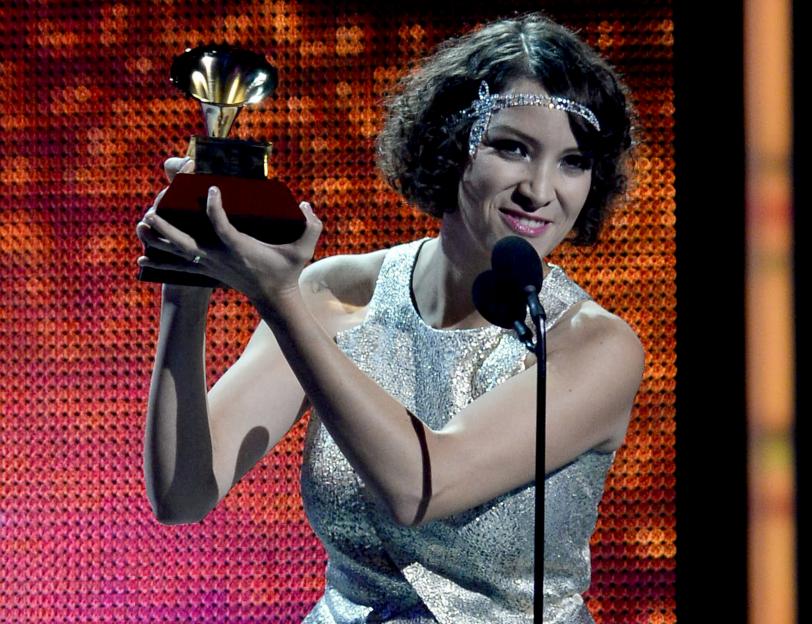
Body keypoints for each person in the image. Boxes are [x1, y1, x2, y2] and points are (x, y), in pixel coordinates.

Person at [137, 13, 644, 624]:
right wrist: (187, 284)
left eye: (573, 161)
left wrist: (278, 300)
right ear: (449, 145)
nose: (541, 189)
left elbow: (418, 488)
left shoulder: (595, 346)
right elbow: (182, 492)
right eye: (512, 147)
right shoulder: (333, 296)